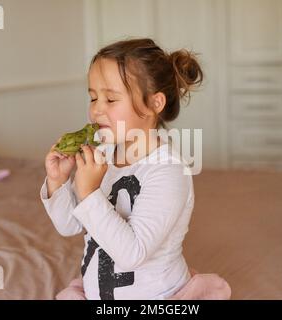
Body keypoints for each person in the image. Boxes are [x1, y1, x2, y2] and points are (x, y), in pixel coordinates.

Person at [40, 38, 230, 300]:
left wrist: (90, 192)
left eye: (110, 99)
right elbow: (69, 225)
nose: (96, 110)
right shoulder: (103, 154)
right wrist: (58, 182)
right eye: (93, 97)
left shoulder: (168, 170)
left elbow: (133, 254)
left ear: (155, 103)